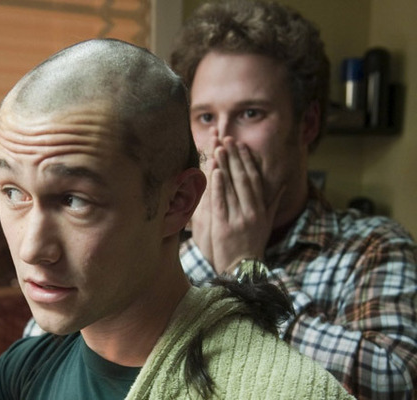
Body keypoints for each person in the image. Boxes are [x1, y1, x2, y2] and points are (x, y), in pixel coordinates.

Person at [0, 39, 354, 400]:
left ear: (177, 202)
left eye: (75, 200)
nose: (32, 248)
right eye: (13, 192)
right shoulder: (32, 367)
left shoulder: (280, 389)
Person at [169, 0, 417, 399]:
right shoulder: (163, 242)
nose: (221, 141)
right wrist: (202, 250)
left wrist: (244, 271)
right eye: (205, 117)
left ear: (308, 124)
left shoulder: (372, 245)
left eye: (250, 113)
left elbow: (396, 382)